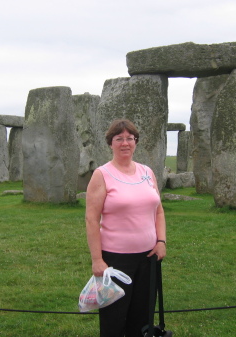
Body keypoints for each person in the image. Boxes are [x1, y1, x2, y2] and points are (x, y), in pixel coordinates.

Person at [85, 119, 167, 337]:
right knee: (114, 320)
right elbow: (91, 219)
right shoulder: (101, 175)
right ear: (110, 143)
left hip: (149, 257)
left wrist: (161, 242)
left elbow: (158, 210)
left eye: (129, 138)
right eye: (118, 138)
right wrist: (97, 259)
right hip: (115, 260)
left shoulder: (147, 172)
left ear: (136, 142)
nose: (125, 143)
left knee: (142, 319)